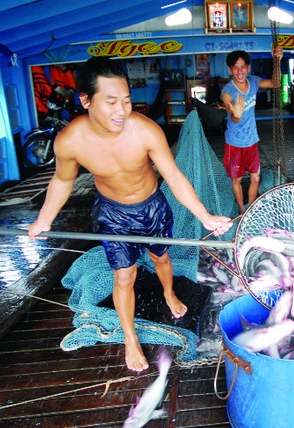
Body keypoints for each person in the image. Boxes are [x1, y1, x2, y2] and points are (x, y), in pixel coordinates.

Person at [28, 57, 232, 372]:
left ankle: (168, 293)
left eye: (125, 100)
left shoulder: (146, 130)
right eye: (111, 102)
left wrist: (205, 217)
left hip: (152, 207)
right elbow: (63, 181)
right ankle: (130, 338)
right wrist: (44, 220)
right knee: (124, 275)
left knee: (161, 258)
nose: (121, 110)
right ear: (86, 100)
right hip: (113, 214)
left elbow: (173, 176)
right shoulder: (70, 141)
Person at [221, 47, 283, 214]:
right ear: (230, 70)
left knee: (255, 178)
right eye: (235, 67)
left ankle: (250, 209)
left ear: (248, 68)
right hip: (234, 143)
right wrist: (237, 114)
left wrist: (277, 61)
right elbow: (234, 118)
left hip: (251, 141)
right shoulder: (227, 92)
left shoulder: (254, 82)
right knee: (237, 179)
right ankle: (242, 210)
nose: (239, 71)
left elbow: (275, 83)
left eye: (242, 66)